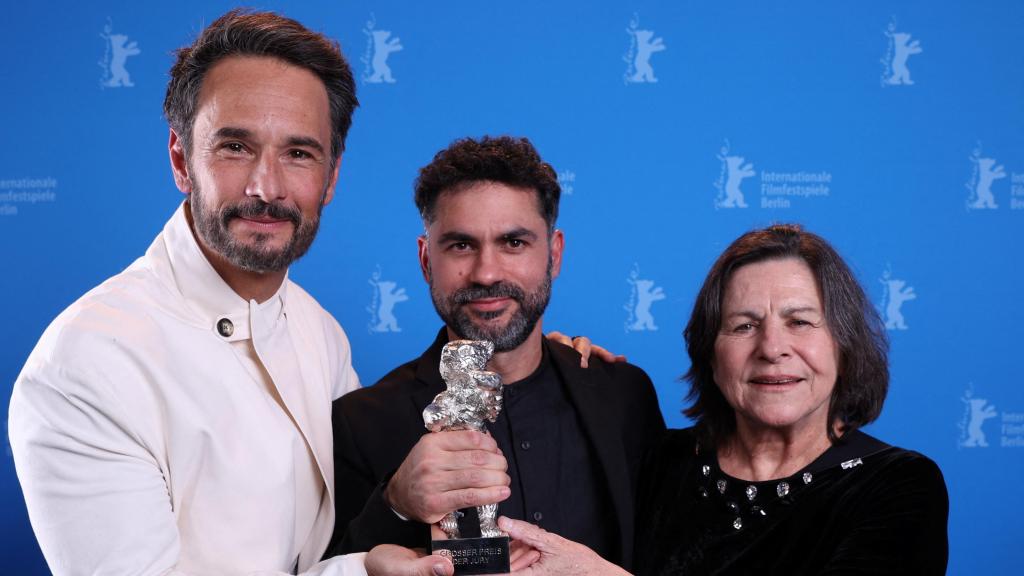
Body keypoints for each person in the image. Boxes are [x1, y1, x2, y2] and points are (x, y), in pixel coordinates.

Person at [8, 9, 450, 576]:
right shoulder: (84, 365)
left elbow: (347, 522)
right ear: (180, 160)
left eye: (298, 153)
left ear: (332, 175)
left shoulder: (321, 332)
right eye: (236, 147)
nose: (267, 188)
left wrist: (545, 364)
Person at [496, 224, 949, 575]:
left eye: (801, 322)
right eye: (744, 326)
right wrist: (548, 371)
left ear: (843, 346)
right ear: (710, 353)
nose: (772, 348)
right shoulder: (659, 461)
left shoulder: (899, 487)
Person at [328, 136, 666, 570]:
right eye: (461, 245)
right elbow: (333, 564)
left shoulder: (625, 396)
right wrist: (396, 504)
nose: (487, 273)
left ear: (555, 253)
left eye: (514, 243)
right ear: (426, 260)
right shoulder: (361, 422)